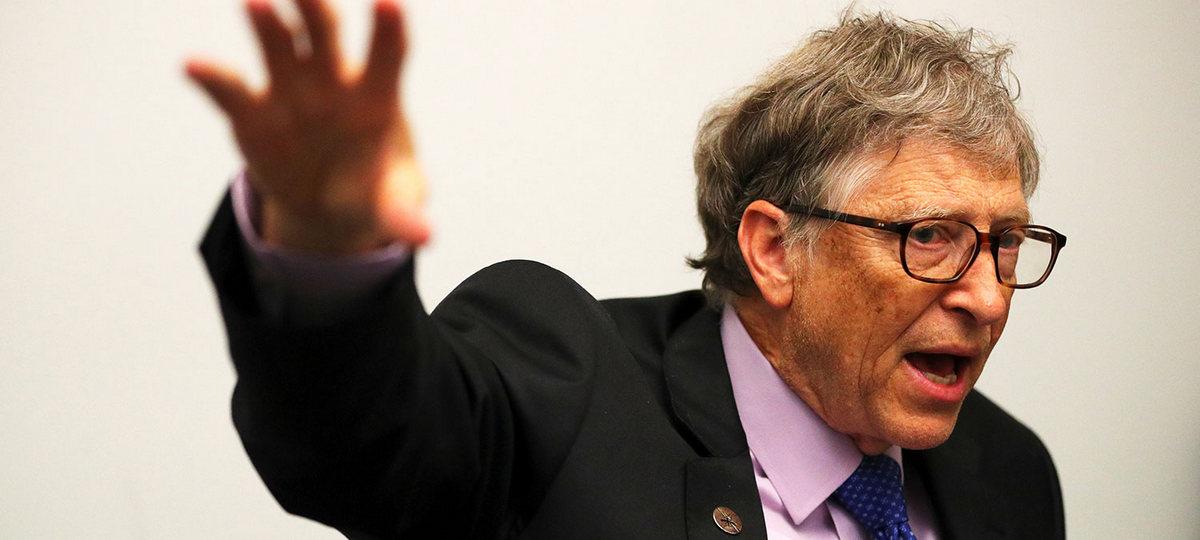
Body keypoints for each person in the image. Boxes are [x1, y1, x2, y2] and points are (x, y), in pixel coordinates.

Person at [191, 1, 1067, 538]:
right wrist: (325, 253)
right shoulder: (565, 389)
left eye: (1004, 243)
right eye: (930, 237)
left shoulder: (1011, 474)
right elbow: (357, 448)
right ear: (773, 250)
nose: (989, 298)